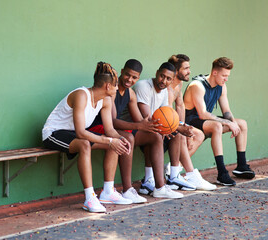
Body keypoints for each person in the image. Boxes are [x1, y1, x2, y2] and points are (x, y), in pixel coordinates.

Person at [42, 62, 133, 213]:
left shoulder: (106, 100)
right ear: (107, 86)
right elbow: (80, 133)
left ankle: (108, 191)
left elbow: (110, 130)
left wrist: (120, 140)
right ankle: (90, 198)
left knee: (114, 144)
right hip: (54, 133)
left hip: (73, 134)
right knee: (85, 144)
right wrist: (110, 140)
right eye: (115, 85)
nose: (118, 88)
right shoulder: (81, 95)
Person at [89, 59, 183, 200]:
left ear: (138, 77)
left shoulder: (131, 94)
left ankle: (160, 187)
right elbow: (112, 122)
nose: (129, 79)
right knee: (128, 138)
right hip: (98, 127)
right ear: (122, 72)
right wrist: (139, 126)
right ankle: (127, 189)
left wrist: (158, 128)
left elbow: (140, 121)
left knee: (155, 136)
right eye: (127, 75)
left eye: (134, 77)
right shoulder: (112, 90)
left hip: (116, 129)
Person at [183, 57, 255, 186]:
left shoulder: (222, 86)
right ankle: (222, 173)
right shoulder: (197, 85)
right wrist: (227, 123)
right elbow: (202, 113)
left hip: (206, 121)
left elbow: (226, 111)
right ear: (215, 73)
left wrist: (233, 123)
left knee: (242, 123)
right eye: (224, 75)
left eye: (228, 76)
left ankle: (241, 166)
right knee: (217, 126)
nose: (226, 79)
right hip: (191, 120)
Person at [131, 62, 197, 192]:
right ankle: (148, 180)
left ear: (172, 80)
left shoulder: (165, 91)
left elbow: (168, 116)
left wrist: (176, 127)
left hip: (151, 127)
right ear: (156, 73)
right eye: (162, 76)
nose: (164, 81)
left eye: (168, 79)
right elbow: (148, 119)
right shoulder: (143, 86)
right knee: (156, 134)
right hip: (136, 127)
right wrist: (177, 127)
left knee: (175, 133)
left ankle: (173, 175)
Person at [167, 54, 216, 191]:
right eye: (186, 68)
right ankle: (187, 174)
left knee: (198, 135)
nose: (189, 71)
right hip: (164, 124)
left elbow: (180, 106)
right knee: (182, 136)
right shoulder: (168, 87)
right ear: (176, 71)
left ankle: (174, 169)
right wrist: (181, 129)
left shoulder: (179, 84)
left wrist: (183, 125)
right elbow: (165, 113)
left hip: (175, 123)